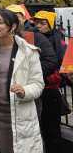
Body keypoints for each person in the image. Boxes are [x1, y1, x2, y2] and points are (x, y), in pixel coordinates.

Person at [0, 9, 44, 153]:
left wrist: (25, 91)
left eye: (0, 22)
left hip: (21, 116)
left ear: (12, 27)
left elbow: (38, 84)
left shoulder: (29, 52)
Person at [32, 10, 66, 153]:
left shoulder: (59, 42)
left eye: (43, 23)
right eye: (37, 23)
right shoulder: (32, 38)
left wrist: (55, 76)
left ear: (51, 24)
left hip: (50, 91)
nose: (39, 26)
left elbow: (63, 64)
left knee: (52, 130)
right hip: (34, 89)